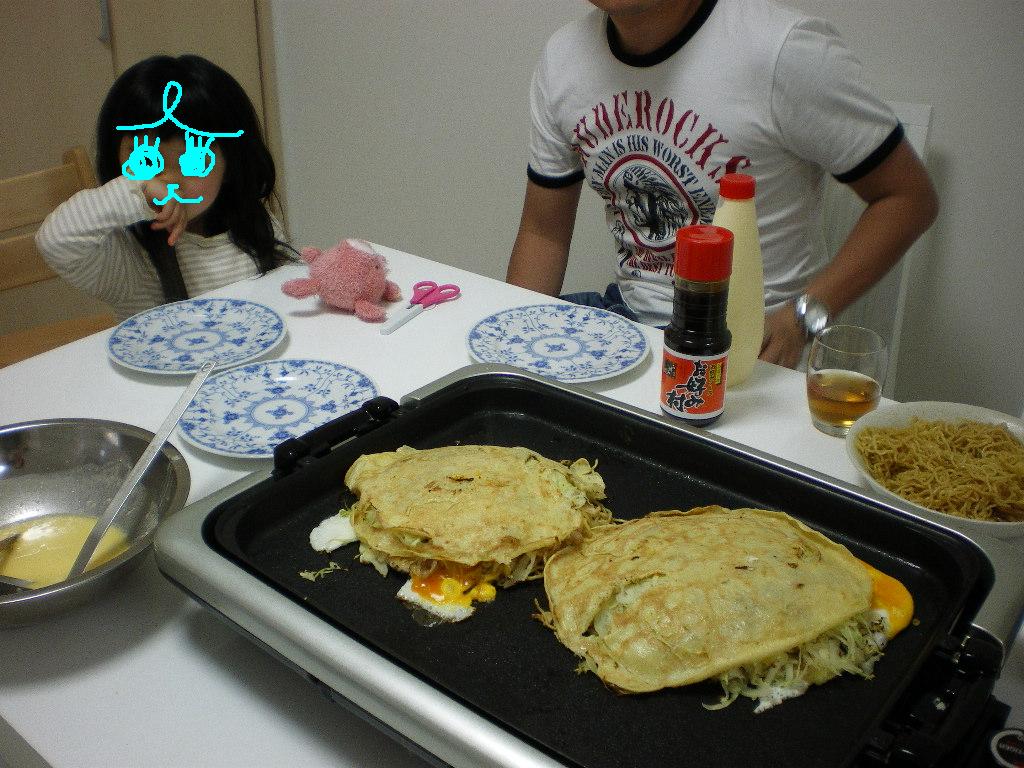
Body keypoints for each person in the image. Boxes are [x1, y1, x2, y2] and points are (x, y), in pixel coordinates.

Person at [506, 0, 938, 369]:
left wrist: (801, 319)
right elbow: (543, 234)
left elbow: (908, 197)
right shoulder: (564, 58)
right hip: (630, 323)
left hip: (753, 346)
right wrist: (509, 352)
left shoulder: (784, 51)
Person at [36, 55, 294, 321]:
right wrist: (140, 191)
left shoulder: (255, 225)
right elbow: (55, 241)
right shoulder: (129, 257)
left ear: (231, 164)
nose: (169, 179)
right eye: (146, 161)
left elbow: (284, 298)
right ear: (116, 160)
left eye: (194, 160)